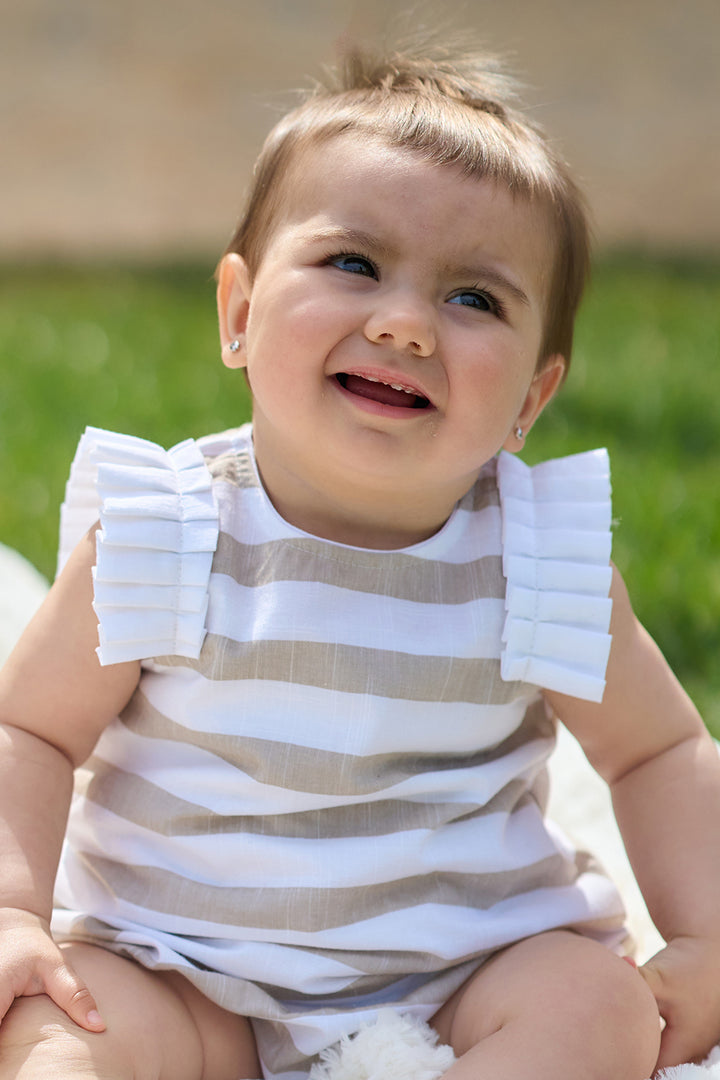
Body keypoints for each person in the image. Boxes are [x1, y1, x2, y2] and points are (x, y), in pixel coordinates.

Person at [1, 39, 719, 1080]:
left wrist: (701, 937)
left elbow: (656, 753)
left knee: (599, 1006)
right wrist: (14, 911)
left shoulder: (535, 560)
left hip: (465, 971)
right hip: (186, 969)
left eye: (474, 298)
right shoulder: (168, 529)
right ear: (240, 313)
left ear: (530, 398)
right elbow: (30, 730)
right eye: (353, 264)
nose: (404, 324)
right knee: (64, 1030)